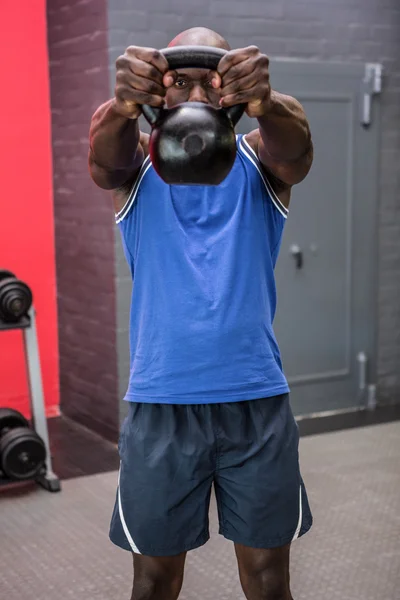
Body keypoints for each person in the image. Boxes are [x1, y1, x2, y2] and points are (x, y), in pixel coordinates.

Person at [89, 26, 313, 600]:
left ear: (231, 95)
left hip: (255, 401)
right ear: (157, 94)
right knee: (155, 581)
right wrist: (121, 106)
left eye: (210, 85)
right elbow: (102, 161)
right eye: (179, 83)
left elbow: (297, 149)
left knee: (268, 580)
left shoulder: (259, 159)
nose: (194, 98)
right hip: (163, 404)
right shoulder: (137, 165)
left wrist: (269, 102)